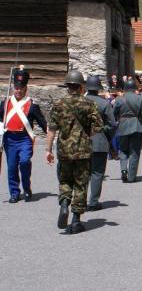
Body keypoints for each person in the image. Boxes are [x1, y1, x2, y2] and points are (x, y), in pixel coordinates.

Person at [45, 70, 103, 234]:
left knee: (65, 180)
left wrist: (48, 150)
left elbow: (51, 130)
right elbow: (98, 126)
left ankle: (64, 204)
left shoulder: (59, 104)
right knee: (80, 184)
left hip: (64, 150)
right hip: (83, 151)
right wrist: (86, 134)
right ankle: (76, 220)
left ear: (67, 85)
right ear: (80, 86)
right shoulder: (89, 104)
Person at [0, 66, 48, 203]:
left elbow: (43, 123)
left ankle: (26, 188)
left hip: (24, 139)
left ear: (26, 89)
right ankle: (14, 192)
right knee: (12, 167)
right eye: (16, 87)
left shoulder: (32, 105)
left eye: (21, 88)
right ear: (13, 88)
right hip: (9, 139)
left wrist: (51, 137)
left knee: (25, 161)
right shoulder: (5, 103)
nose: (18, 90)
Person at [84, 75, 116, 211]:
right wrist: (106, 135)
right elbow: (112, 124)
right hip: (99, 140)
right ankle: (93, 202)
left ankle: (80, 200)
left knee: (83, 173)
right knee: (97, 173)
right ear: (98, 88)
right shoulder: (104, 103)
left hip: (81, 141)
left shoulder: (80, 101)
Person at [113, 80, 142, 183]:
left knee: (123, 150)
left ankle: (123, 169)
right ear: (134, 88)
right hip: (136, 126)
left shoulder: (119, 99)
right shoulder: (140, 98)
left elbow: (113, 114)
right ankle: (131, 176)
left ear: (125, 88)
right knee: (134, 152)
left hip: (122, 126)